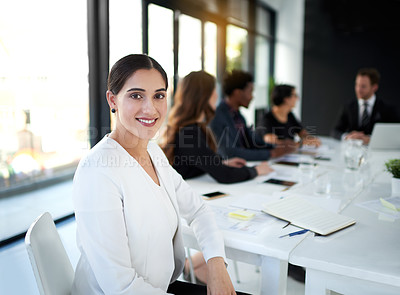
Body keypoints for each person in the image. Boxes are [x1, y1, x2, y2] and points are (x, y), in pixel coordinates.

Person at [72, 54, 237, 295]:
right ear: (112, 100)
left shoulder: (152, 150)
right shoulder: (97, 172)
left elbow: (199, 210)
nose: (150, 108)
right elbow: (121, 287)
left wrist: (216, 264)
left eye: (158, 95)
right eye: (136, 95)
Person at [161, 70, 273, 184]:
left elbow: (199, 161)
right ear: (204, 96)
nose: (217, 95)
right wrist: (256, 170)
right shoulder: (189, 132)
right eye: (214, 90)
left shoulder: (194, 128)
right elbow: (225, 176)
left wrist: (222, 163)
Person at [210, 70, 295, 161]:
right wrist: (271, 153)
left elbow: (253, 142)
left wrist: (278, 146)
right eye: (250, 92)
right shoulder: (218, 117)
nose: (252, 97)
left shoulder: (238, 116)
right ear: (238, 93)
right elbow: (230, 153)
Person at [332, 68, 398, 145]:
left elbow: (395, 134)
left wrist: (371, 139)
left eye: (363, 86)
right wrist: (347, 137)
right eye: (357, 85)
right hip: (352, 151)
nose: (358, 89)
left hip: (378, 152)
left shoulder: (387, 109)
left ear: (374, 87)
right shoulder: (348, 107)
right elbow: (335, 131)